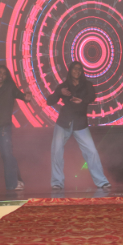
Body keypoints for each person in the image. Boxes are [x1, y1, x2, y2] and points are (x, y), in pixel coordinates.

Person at [47, 61, 111, 190]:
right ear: (70, 70)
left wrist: (82, 101)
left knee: (91, 151)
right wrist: (59, 92)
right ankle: (57, 182)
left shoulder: (87, 85)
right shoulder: (64, 86)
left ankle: (102, 181)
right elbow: (49, 101)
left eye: (79, 69)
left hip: (80, 123)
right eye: (75, 69)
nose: (77, 71)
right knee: (56, 151)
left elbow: (92, 96)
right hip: (64, 122)